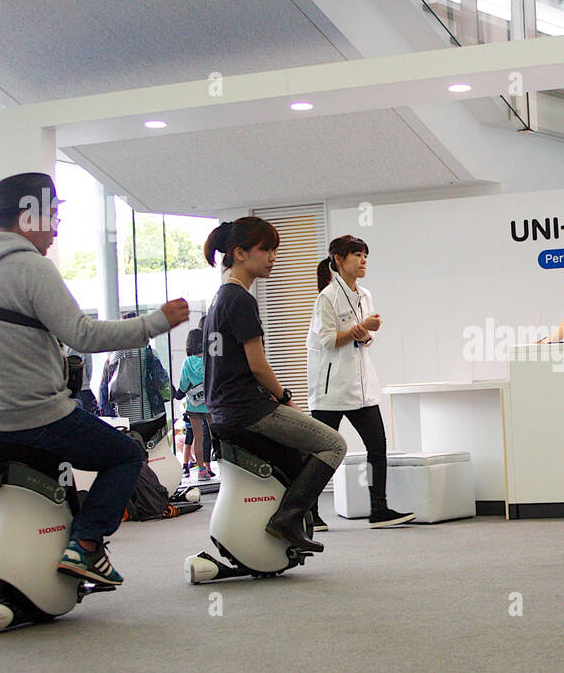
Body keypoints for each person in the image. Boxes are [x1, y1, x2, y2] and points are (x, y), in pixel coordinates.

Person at [0, 172, 190, 586]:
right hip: (33, 417)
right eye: (53, 219)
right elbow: (83, 334)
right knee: (125, 454)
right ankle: (85, 545)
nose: (54, 231)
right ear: (30, 217)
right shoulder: (30, 266)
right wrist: (155, 322)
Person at [203, 218, 345, 550]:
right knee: (334, 444)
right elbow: (258, 366)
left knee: (298, 450)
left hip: (225, 410)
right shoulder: (240, 300)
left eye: (274, 249)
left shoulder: (219, 298)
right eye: (264, 249)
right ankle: (288, 518)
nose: (272, 256)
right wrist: (285, 398)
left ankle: (296, 524)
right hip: (248, 410)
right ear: (239, 253)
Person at [307, 236, 414, 529]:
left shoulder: (365, 294)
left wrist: (367, 333)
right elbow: (328, 341)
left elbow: (367, 339)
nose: (363, 260)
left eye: (365, 255)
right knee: (320, 453)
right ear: (339, 260)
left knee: (377, 446)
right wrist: (361, 328)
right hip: (331, 390)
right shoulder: (327, 297)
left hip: (361, 387)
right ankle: (308, 513)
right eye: (357, 254)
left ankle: (379, 509)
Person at [99, 316, 171, 421]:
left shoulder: (116, 354)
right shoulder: (148, 352)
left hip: (123, 411)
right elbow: (162, 380)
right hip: (147, 409)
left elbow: (106, 387)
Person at [176, 326, 212, 481]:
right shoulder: (209, 360)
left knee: (198, 438)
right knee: (215, 435)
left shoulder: (187, 363)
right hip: (210, 403)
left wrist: (178, 393)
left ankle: (202, 471)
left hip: (194, 406)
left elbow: (183, 385)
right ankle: (224, 465)